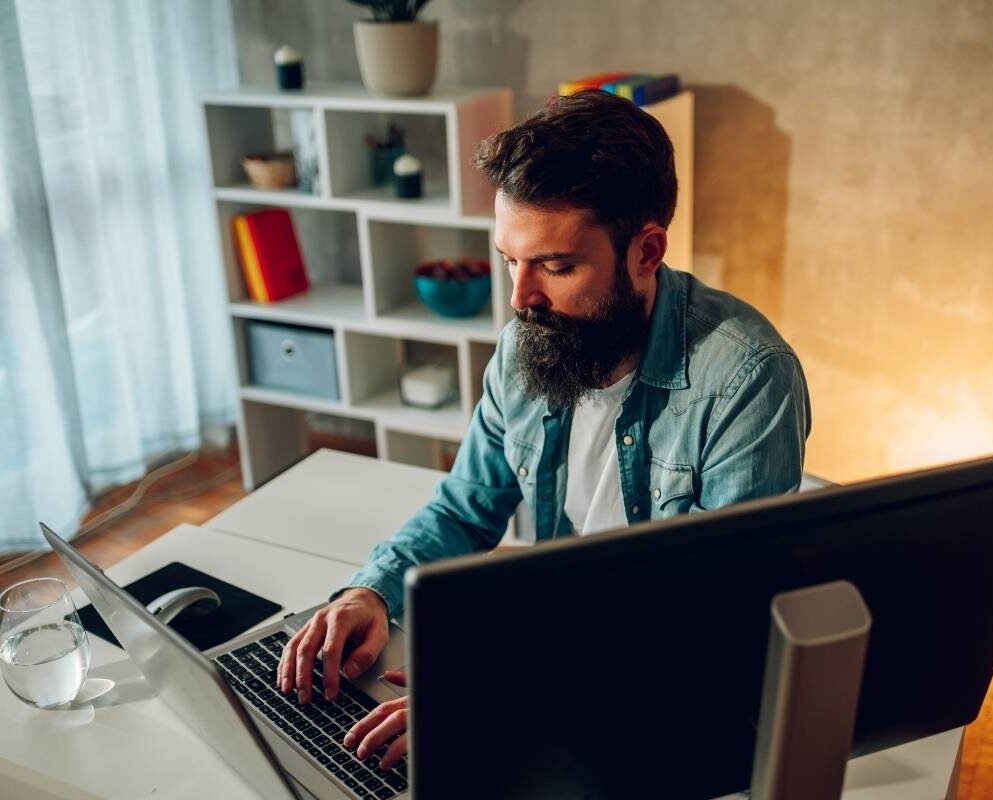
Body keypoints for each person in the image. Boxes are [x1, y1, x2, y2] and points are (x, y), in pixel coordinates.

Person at [277, 89, 812, 770]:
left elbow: (713, 618)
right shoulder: (525, 346)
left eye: (556, 266)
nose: (519, 298)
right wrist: (372, 591)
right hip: (556, 644)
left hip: (655, 704)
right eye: (510, 258)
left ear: (647, 250)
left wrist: (504, 695)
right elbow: (465, 509)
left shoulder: (748, 377)